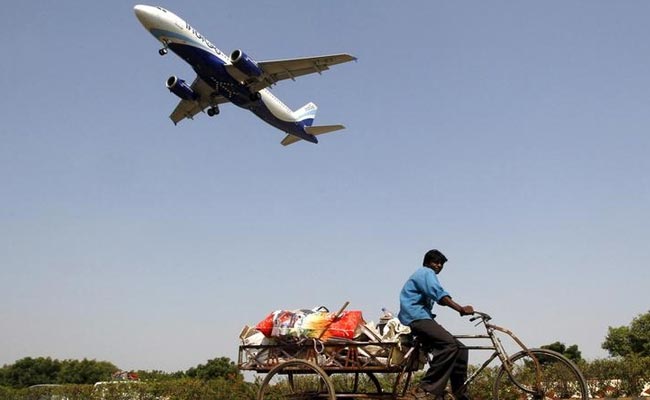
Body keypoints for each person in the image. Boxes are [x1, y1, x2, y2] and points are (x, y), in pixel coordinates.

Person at [398, 249, 474, 400]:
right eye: (435, 262)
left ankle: (460, 394)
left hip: (422, 317)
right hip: (415, 317)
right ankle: (426, 389)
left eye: (441, 263)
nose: (438, 265)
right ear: (427, 262)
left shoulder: (426, 274)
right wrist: (460, 309)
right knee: (449, 344)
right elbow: (439, 294)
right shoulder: (425, 272)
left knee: (461, 349)